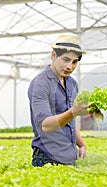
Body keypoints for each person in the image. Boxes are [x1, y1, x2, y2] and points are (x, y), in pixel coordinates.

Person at [28, 33, 89, 167]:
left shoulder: (72, 84)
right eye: (65, 59)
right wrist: (74, 112)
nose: (70, 67)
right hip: (46, 159)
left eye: (74, 62)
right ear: (54, 55)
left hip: (69, 157)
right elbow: (45, 125)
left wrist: (81, 144)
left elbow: (69, 121)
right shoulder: (41, 84)